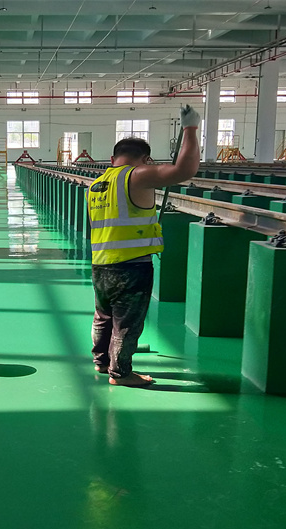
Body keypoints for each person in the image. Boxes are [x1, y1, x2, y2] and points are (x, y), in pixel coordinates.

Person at [87, 105, 201, 386]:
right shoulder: (137, 175)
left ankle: (102, 362)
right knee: (127, 322)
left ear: (112, 158)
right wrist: (190, 128)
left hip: (100, 264)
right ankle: (121, 373)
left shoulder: (96, 185)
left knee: (103, 316)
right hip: (131, 265)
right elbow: (184, 170)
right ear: (145, 160)